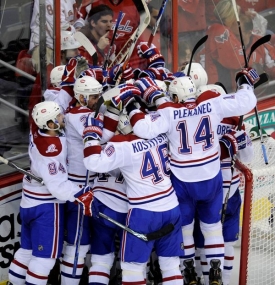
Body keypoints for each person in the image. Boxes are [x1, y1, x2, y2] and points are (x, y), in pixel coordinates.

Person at [121, 63, 259, 284]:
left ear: (175, 96)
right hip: (211, 178)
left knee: (184, 228)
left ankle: (189, 270)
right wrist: (244, 84)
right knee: (212, 226)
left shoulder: (169, 111)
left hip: (183, 181)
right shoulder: (212, 104)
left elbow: (142, 128)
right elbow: (246, 102)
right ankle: (215, 271)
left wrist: (132, 106)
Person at [82, 89, 184, 284]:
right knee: (171, 266)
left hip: (144, 212)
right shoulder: (160, 133)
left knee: (132, 270)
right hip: (171, 206)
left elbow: (93, 162)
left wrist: (91, 137)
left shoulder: (122, 145)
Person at [8, 101, 94, 285]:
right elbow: (58, 187)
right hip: (46, 207)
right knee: (44, 259)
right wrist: (80, 194)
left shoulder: (36, 130)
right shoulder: (51, 151)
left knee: (26, 251)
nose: (63, 117)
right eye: (59, 116)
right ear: (51, 124)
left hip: (28, 202)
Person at [59, 76, 120, 285]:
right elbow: (102, 138)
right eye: (93, 97)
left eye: (98, 96)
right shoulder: (80, 115)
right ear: (82, 98)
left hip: (87, 186)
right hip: (79, 189)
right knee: (78, 245)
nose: (97, 100)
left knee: (84, 243)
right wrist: (113, 111)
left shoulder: (78, 112)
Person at [192, 84, 253, 285]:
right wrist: (237, 142)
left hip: (206, 188)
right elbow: (248, 157)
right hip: (226, 189)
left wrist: (240, 141)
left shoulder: (194, 117)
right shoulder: (235, 120)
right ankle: (220, 281)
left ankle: (204, 279)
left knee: (205, 240)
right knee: (222, 241)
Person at [29, 0, 77, 73]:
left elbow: (76, 17)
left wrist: (79, 25)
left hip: (63, 45)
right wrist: (77, 31)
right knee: (52, 78)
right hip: (44, 46)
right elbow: (61, 27)